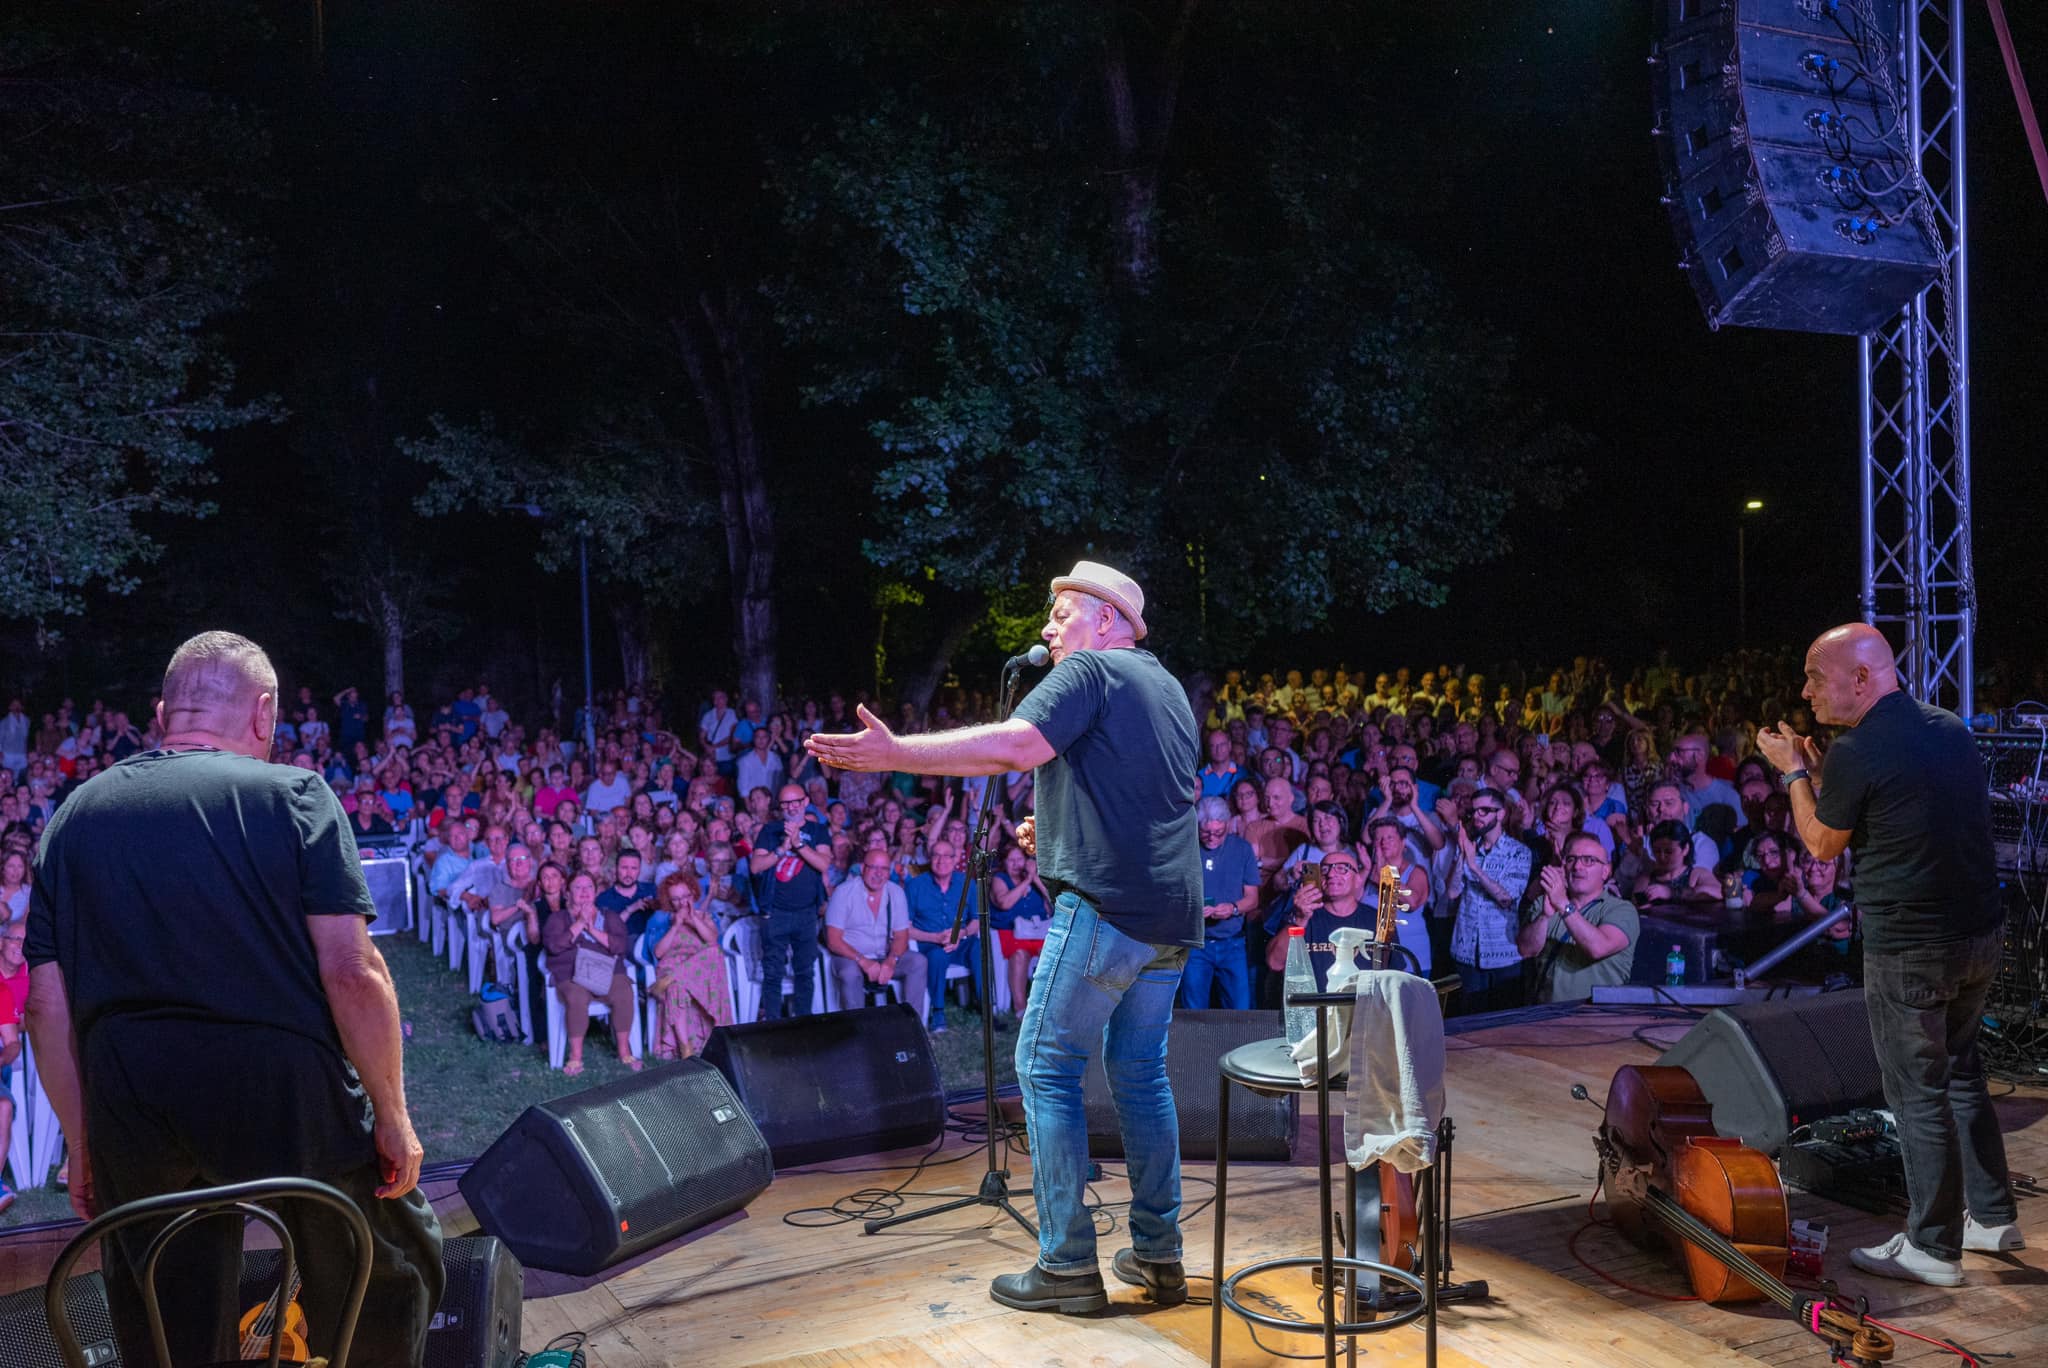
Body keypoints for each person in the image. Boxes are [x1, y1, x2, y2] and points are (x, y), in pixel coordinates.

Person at [23, 630, 442, 1366]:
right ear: (265, 713)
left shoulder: (76, 815)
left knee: (162, 1306)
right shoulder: (296, 795)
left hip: (133, 1100)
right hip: (283, 1089)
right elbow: (352, 969)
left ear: (163, 714)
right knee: (384, 1260)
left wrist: (82, 1140)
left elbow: (44, 1008)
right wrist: (393, 1114)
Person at [806, 560, 1200, 1316]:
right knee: (1140, 1074)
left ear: (1108, 621)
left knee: (1044, 1066)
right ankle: (1160, 1256)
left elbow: (1016, 748)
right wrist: (1046, 833)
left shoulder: (1090, 673)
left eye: (1062, 614)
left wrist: (896, 755)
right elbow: (1139, 799)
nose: (1047, 629)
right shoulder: (1166, 689)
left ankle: (1067, 1267)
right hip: (1170, 916)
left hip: (1109, 912)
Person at [1758, 622, 2017, 1287]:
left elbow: (1821, 843)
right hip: (1979, 937)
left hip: (1913, 948)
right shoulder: (1948, 727)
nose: (1807, 691)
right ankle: (1990, 1217)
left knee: (1916, 1092)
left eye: (1817, 676)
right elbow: (1892, 801)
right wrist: (1822, 770)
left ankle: (1932, 1247)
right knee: (1960, 1072)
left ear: (1862, 678)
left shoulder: (1859, 748)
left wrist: (1793, 774)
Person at [1518, 831, 1637, 1003]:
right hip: (1545, 1015)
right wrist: (1544, 917)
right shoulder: (1546, 902)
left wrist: (1563, 905)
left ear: (1606, 871)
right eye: (1571, 859)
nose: (1577, 867)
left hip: (1596, 1019)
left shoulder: (1621, 910)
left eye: (1588, 860)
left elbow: (1598, 948)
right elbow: (1525, 950)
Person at [541, 869, 640, 1075]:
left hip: (606, 972)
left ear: (595, 892)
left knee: (624, 990)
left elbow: (620, 946)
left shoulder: (609, 917)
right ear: (567, 893)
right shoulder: (557, 919)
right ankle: (575, 1057)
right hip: (571, 974)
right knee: (576, 997)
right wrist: (579, 924)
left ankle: (624, 1050)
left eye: (588, 887)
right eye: (577, 887)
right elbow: (554, 946)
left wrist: (592, 929)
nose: (584, 892)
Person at [1444, 786, 1531, 1014]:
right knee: (1469, 1021)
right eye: (1474, 812)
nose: (1477, 817)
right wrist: (1463, 856)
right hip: (1466, 951)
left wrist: (1475, 867)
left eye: (1485, 811)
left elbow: (1507, 899)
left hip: (1503, 953)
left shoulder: (1518, 852)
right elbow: (1452, 892)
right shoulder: (1470, 847)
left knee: (1503, 1023)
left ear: (1501, 814)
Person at [748, 784, 833, 1019]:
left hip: (807, 914)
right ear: (781, 806)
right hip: (776, 913)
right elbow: (756, 867)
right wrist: (782, 848)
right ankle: (774, 1027)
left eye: (796, 801)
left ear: (806, 802)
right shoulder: (770, 830)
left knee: (805, 971)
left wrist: (798, 844)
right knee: (772, 973)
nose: (791, 806)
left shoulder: (818, 831)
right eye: (786, 803)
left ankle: (804, 1023)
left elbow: (824, 864)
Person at [822, 850, 926, 1017]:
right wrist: (863, 961)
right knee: (849, 973)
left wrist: (891, 961)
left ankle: (914, 1027)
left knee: (918, 962)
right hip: (851, 957)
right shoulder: (843, 892)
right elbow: (833, 941)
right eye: (873, 868)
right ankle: (857, 1032)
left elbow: (901, 936)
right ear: (863, 868)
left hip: (884, 955)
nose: (879, 874)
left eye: (884, 869)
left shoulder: (896, 893)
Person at [1181, 796, 1259, 1010]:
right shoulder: (1186, 849)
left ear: (1228, 825)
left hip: (1233, 944)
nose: (1212, 838)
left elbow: (1252, 898)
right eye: (1206, 832)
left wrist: (1233, 908)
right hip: (1196, 944)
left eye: (1218, 832)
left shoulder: (1242, 849)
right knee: (1193, 1011)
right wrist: (1193, 909)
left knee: (1240, 1009)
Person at [649, 873, 735, 1058]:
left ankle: (669, 980)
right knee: (677, 987)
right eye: (676, 899)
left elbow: (712, 940)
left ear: (693, 894)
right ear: (669, 901)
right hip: (671, 964)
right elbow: (658, 953)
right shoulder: (663, 919)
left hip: (700, 972)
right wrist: (675, 926)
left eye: (686, 896)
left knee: (713, 952)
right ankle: (685, 1048)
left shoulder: (704, 916)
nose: (683, 903)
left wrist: (693, 919)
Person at [989, 842, 1053, 1019]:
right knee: (1020, 954)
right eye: (1012, 860)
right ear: (1004, 862)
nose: (1016, 864)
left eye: (1020, 859)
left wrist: (1035, 879)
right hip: (1010, 932)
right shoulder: (999, 879)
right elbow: (1004, 903)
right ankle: (1020, 1008)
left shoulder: (1034, 878)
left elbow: (1053, 901)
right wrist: (1026, 882)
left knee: (1051, 954)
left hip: (1037, 931)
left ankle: (1048, 1006)